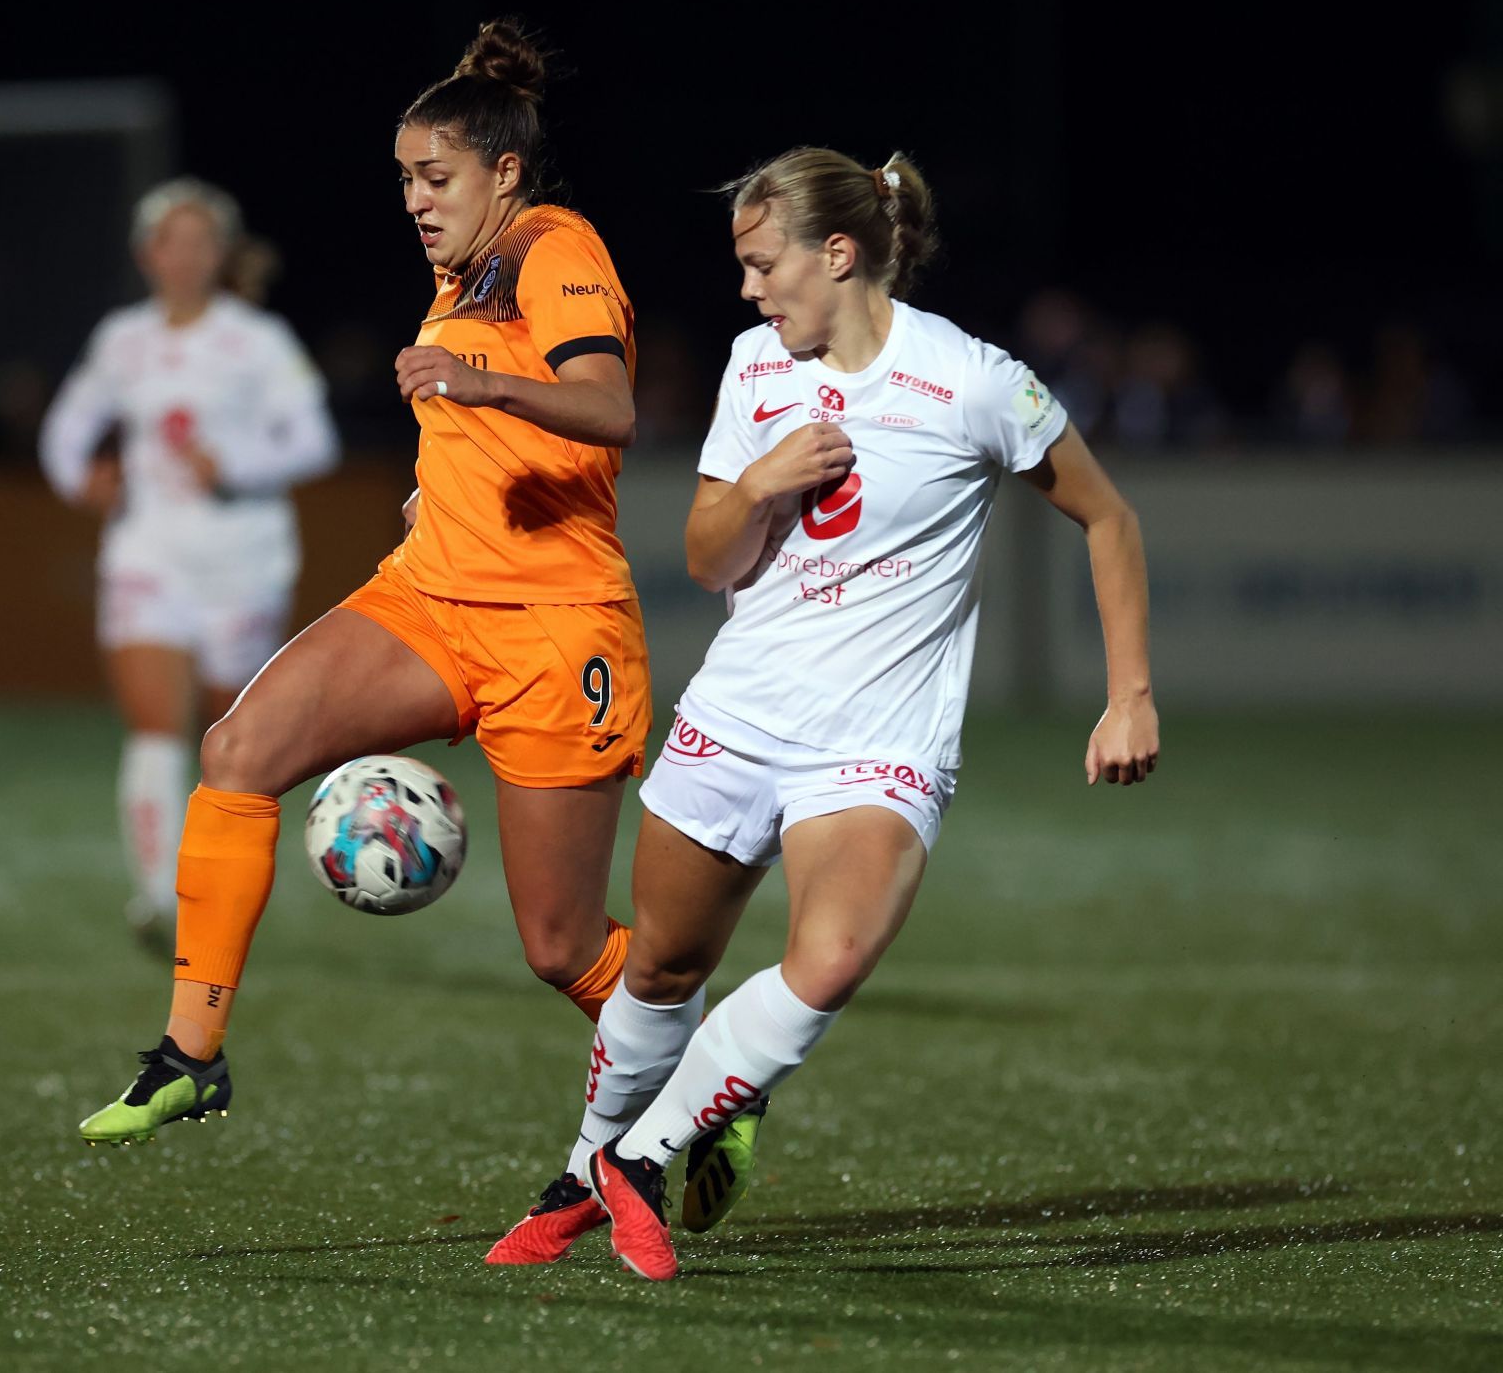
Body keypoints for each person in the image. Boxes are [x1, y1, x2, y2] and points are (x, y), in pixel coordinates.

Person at [485, 146, 1160, 1280]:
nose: (747, 291)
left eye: (762, 264)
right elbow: (708, 561)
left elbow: (1109, 519)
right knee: (658, 966)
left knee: (832, 958)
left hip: (879, 743)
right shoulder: (757, 370)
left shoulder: (972, 380)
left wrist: (1128, 693)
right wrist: (755, 486)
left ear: (836, 254)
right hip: (742, 714)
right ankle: (584, 1170)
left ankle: (640, 1160)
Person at [77, 20, 654, 1148]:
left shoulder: (553, 245)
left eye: (435, 177)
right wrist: (442, 485)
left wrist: (476, 385)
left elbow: (609, 406)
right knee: (237, 754)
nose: (414, 199)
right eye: (403, 179)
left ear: (504, 170)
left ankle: (724, 1068)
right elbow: (494, 439)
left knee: (562, 945)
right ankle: (190, 1054)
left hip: (553, 630)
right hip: (434, 596)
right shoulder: (461, 273)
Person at [40, 179, 339, 951]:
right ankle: (158, 901)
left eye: (203, 241)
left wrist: (235, 463)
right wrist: (83, 479)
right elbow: (67, 427)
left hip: (244, 561)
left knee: (231, 739)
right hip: (149, 555)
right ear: (149, 254)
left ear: (223, 255)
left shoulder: (259, 340)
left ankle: (221, 886)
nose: (187, 256)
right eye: (173, 240)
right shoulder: (121, 340)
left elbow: (315, 440)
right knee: (153, 726)